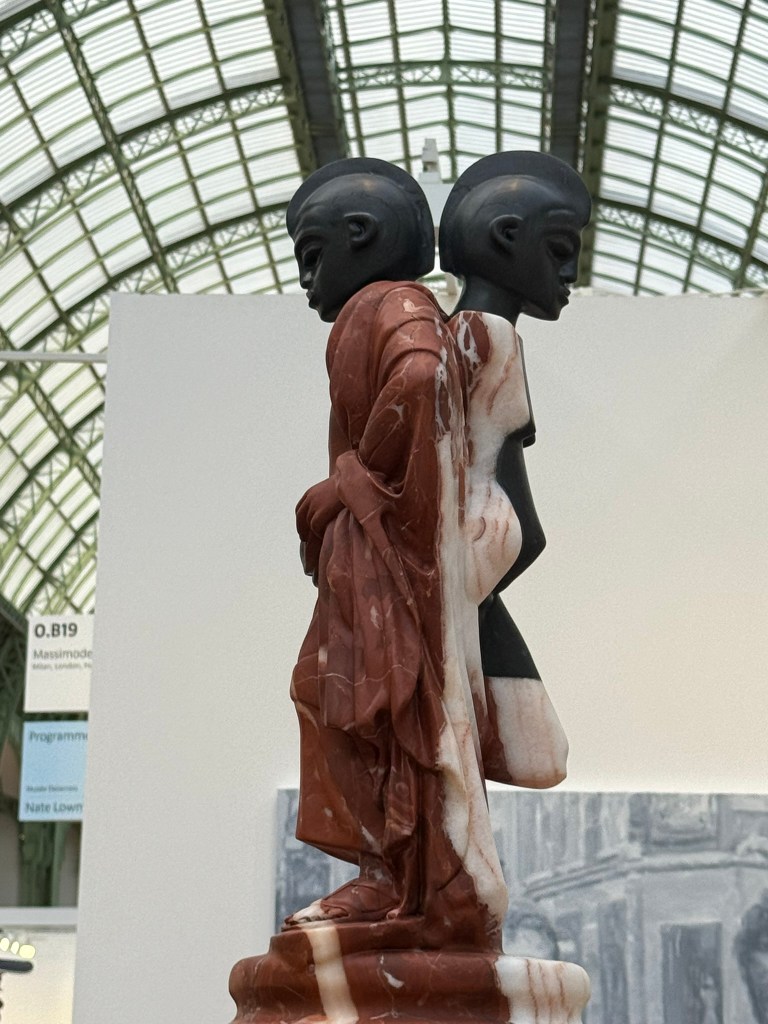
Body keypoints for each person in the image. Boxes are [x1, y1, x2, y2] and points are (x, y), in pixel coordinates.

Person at [284, 158, 507, 948]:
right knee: (348, 699)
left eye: (312, 254)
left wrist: (345, 486)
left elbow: (418, 379)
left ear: (361, 234)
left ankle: (398, 877)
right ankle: (392, 873)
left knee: (369, 700)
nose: (305, 279)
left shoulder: (391, 304)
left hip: (390, 555)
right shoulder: (376, 310)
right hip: (371, 553)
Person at [439, 151, 591, 790]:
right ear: (506, 237)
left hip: (469, 577)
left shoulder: (464, 334)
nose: (570, 274)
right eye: (558, 251)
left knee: (522, 752)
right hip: (469, 576)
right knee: (534, 752)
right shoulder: (487, 336)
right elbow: (514, 515)